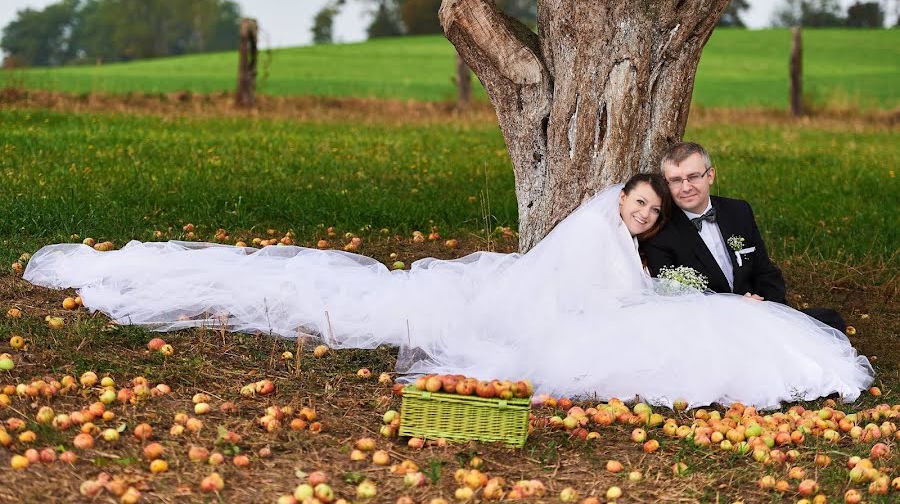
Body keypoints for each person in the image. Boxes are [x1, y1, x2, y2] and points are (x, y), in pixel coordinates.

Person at [23, 173, 872, 409]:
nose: (647, 214)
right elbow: (575, 300)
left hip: (585, 305)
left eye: (654, 207)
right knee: (357, 300)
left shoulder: (638, 243)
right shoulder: (597, 232)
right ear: (621, 199)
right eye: (641, 201)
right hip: (526, 308)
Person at [642, 142, 847, 332]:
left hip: (759, 311)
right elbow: (675, 301)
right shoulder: (660, 233)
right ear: (666, 184)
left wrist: (767, 306)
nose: (685, 187)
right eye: (676, 180)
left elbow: (765, 271)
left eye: (693, 177)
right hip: (710, 328)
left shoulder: (738, 211)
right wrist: (739, 310)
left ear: (710, 175)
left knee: (830, 322)